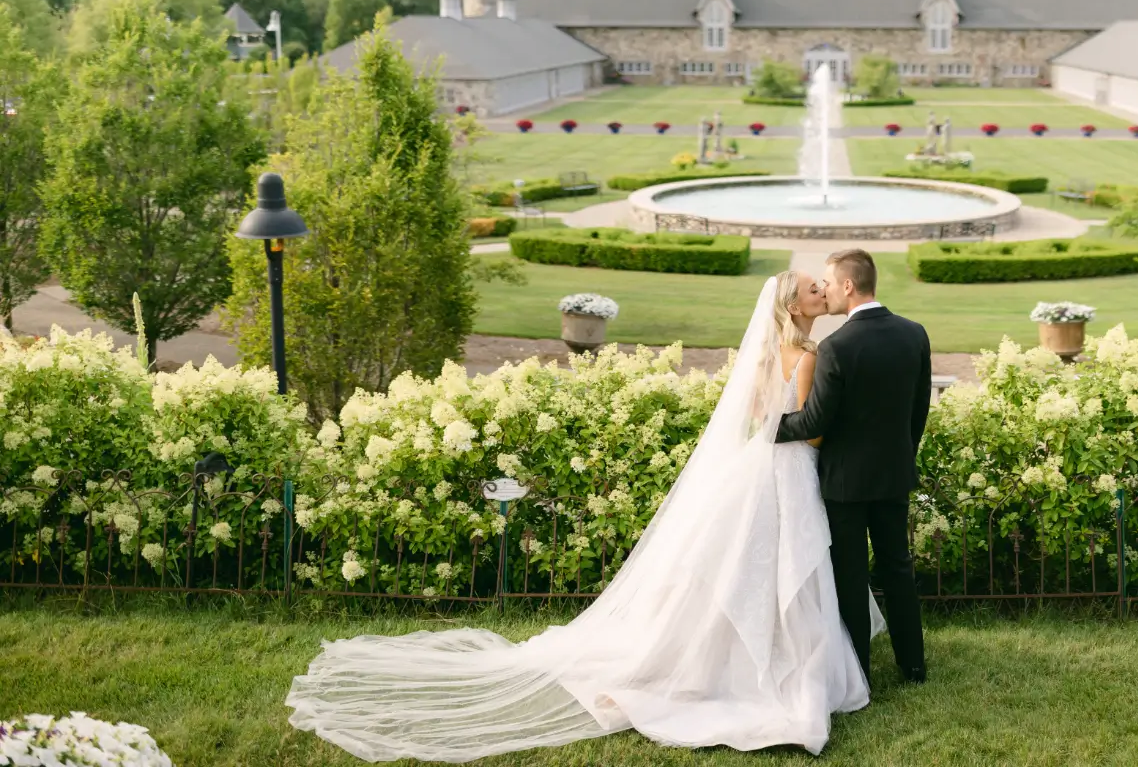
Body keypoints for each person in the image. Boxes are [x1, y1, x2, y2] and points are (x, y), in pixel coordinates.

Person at [285, 270, 883, 761]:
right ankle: (775, 673)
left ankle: (729, 661)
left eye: (822, 286)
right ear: (795, 307)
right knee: (787, 570)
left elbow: (758, 421)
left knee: (748, 571)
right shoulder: (804, 355)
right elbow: (804, 435)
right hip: (786, 473)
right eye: (812, 289)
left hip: (753, 469)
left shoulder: (761, 357)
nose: (821, 293)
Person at [776, 248, 930, 686]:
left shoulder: (835, 347)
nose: (824, 290)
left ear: (847, 286)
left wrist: (767, 430)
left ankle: (858, 670)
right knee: (898, 566)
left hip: (844, 483)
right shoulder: (914, 334)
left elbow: (814, 423)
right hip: (893, 474)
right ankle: (913, 666)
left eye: (827, 282)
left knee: (850, 574)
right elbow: (918, 411)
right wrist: (901, 454)